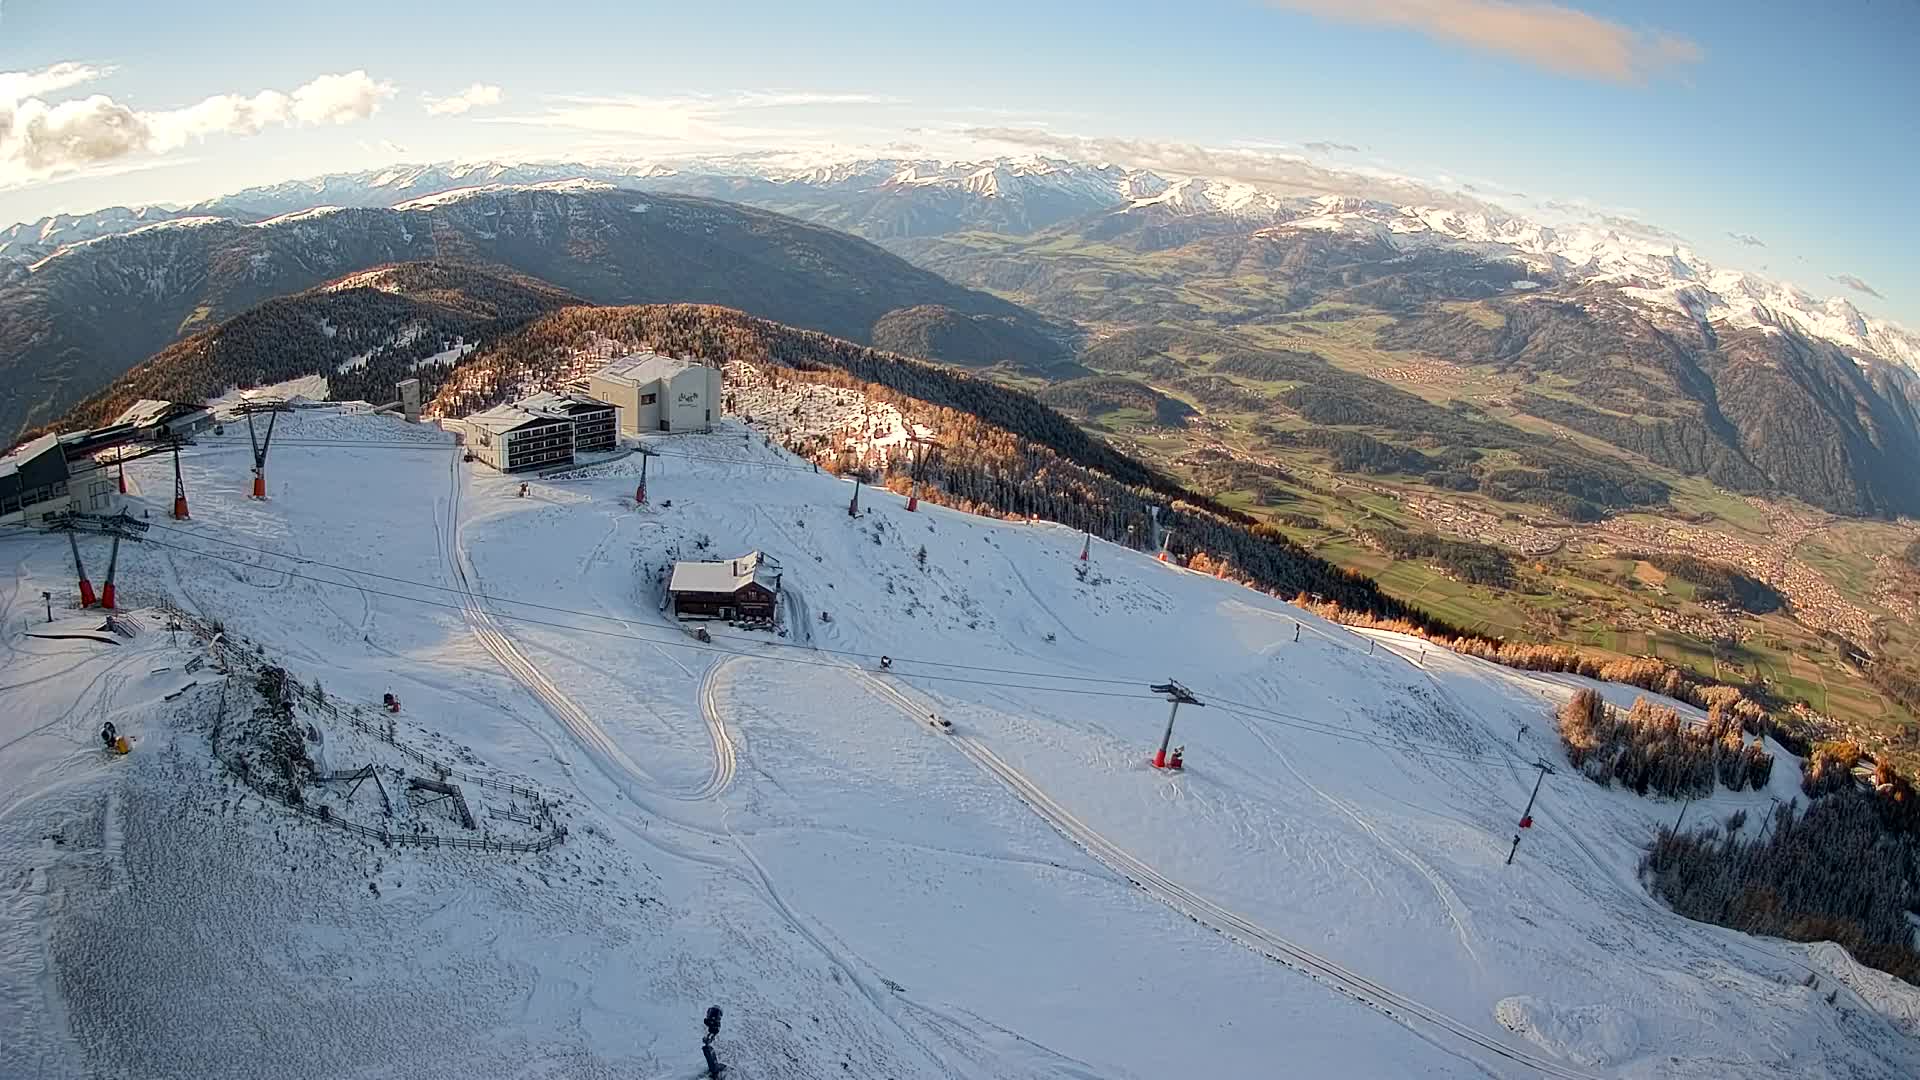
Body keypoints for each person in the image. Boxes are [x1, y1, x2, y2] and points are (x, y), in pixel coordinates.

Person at [702, 1006, 725, 1077]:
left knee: (709, 1050)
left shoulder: (714, 1026)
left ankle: (714, 1069)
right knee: (708, 1050)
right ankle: (714, 1071)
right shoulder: (711, 1025)